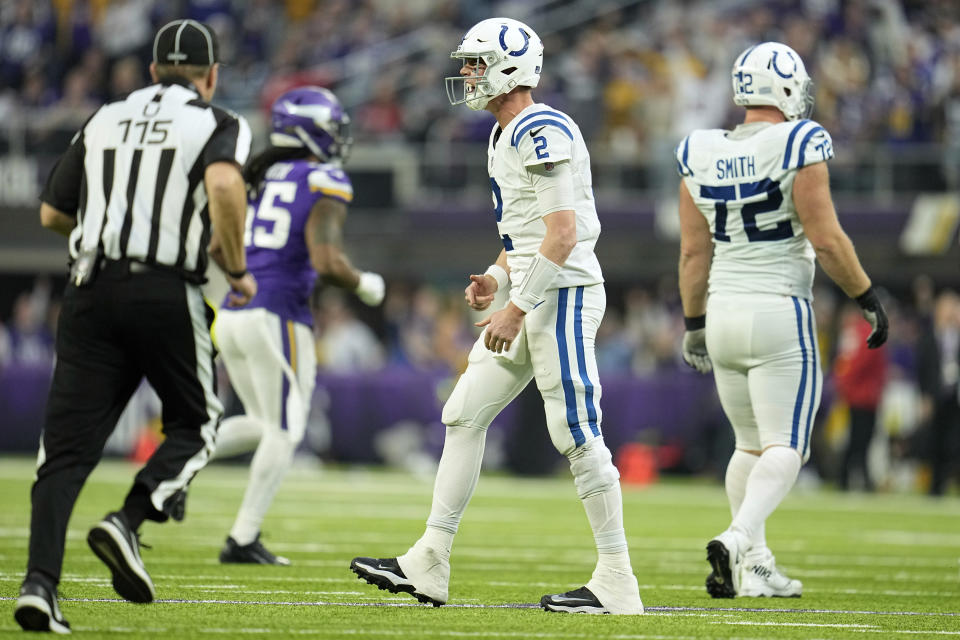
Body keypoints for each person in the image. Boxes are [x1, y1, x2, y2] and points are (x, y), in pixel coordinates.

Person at [350, 17, 644, 615]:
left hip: (563, 294)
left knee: (576, 431)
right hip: (535, 291)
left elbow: (562, 236)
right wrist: (498, 276)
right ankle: (429, 561)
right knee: (462, 414)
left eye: (477, 63)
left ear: (511, 66)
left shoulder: (541, 127)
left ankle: (617, 579)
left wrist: (515, 305)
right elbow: (527, 237)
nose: (467, 75)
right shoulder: (504, 134)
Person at [14, 19, 254, 633]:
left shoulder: (103, 118)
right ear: (211, 75)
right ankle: (129, 516)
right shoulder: (219, 122)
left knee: (62, 453)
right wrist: (233, 264)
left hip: (88, 288)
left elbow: (50, 213)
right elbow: (225, 183)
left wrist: (103, 239)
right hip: (164, 288)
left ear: (151, 71)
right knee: (199, 423)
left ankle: (39, 586)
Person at [676, 41, 889, 599]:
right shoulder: (800, 141)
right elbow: (826, 239)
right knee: (788, 446)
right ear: (788, 88)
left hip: (721, 309)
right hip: (778, 310)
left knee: (749, 445)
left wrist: (692, 323)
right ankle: (740, 537)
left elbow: (693, 254)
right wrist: (865, 295)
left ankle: (758, 568)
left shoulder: (700, 149)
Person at [210, 86, 385, 564]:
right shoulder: (323, 179)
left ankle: (177, 463)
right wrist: (366, 284)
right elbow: (326, 262)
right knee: (285, 428)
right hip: (277, 312)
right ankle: (242, 537)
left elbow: (215, 247)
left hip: (234, 308)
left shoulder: (254, 177)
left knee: (267, 423)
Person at [833, 302, 888, 491]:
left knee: (859, 440)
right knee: (860, 440)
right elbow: (857, 364)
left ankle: (848, 478)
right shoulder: (863, 332)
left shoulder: (856, 332)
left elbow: (849, 364)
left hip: (860, 396)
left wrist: (843, 386)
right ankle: (854, 479)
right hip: (864, 396)